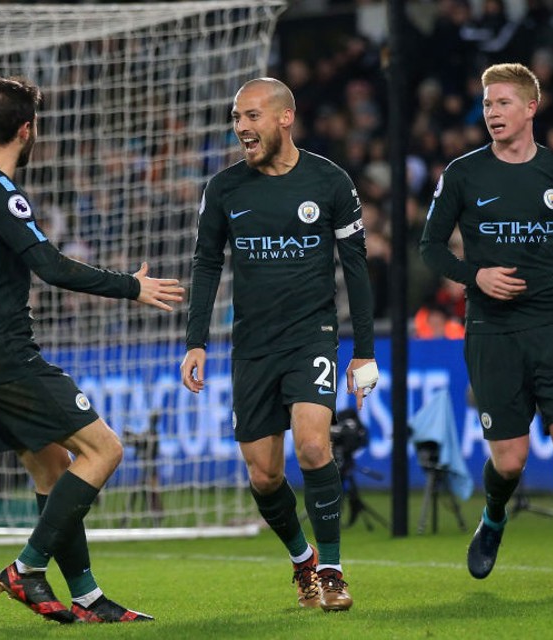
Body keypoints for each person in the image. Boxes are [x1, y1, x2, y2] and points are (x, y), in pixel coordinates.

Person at [0, 76, 183, 624]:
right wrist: (131, 286)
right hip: (8, 357)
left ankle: (86, 598)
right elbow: (52, 267)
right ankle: (27, 566)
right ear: (27, 130)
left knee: (53, 468)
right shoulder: (0, 193)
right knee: (105, 450)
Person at [180, 77, 378, 612]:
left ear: (284, 118)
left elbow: (356, 267)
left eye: (252, 116)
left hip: (311, 336)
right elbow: (206, 264)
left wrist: (364, 351)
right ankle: (302, 560)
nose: (241, 127)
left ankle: (332, 571)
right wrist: (196, 341)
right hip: (251, 345)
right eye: (236, 118)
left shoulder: (329, 181)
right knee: (264, 475)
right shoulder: (224, 189)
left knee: (313, 446)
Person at [420, 63, 553, 594]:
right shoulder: (463, 173)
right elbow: (430, 247)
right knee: (510, 461)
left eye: (503, 102)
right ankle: (494, 517)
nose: (492, 112)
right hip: (492, 329)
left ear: (531, 107)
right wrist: (476, 275)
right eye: (487, 104)